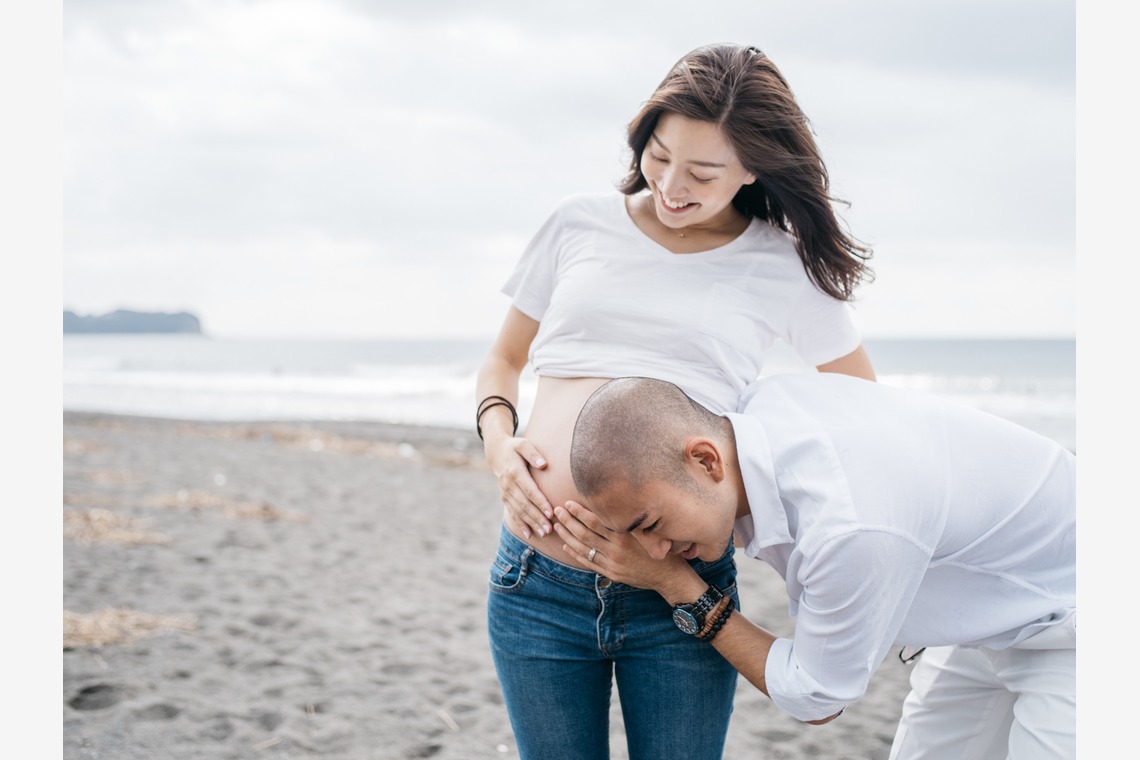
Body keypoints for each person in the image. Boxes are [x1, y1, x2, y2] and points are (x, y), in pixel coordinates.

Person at [475, 42, 877, 759]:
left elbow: (858, 407)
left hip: (680, 593)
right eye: (660, 156)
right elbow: (503, 362)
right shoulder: (579, 223)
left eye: (702, 171)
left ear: (754, 167)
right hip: (536, 582)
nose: (671, 184)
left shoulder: (778, 263)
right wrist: (500, 448)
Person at [555, 374, 1076, 760]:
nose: (653, 551)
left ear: (707, 461)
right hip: (991, 616)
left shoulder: (849, 524)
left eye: (650, 523)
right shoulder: (764, 406)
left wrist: (678, 587)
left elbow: (818, 696)